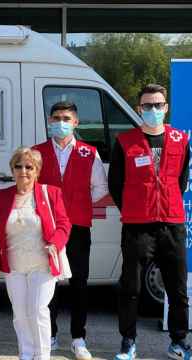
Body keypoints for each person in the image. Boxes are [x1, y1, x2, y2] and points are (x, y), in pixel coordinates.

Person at [108, 84, 191, 360]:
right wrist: (135, 208)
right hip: (137, 226)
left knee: (177, 289)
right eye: (147, 106)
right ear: (138, 108)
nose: (153, 110)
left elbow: (180, 181)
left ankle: (179, 342)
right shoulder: (125, 141)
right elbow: (116, 184)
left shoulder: (181, 139)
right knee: (130, 287)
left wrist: (166, 204)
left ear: (166, 107)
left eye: (158, 105)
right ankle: (128, 341)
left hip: (172, 224)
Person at [32, 101, 108, 359]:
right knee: (47, 282)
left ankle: (78, 339)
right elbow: (31, 188)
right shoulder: (37, 152)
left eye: (66, 118)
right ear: (49, 122)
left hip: (78, 227)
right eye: (55, 118)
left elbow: (100, 188)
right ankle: (49, 335)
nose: (60, 122)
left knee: (79, 283)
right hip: (47, 228)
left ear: (76, 122)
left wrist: (80, 204)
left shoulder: (89, 152)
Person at [0, 147, 71, 360]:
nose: (23, 171)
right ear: (12, 170)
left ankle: (42, 356)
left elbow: (64, 224)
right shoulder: (2, 196)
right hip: (14, 266)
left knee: (38, 311)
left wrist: (55, 243)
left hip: (42, 264)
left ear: (37, 171)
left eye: (29, 167)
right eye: (18, 166)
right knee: (20, 315)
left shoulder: (51, 193)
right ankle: (26, 354)